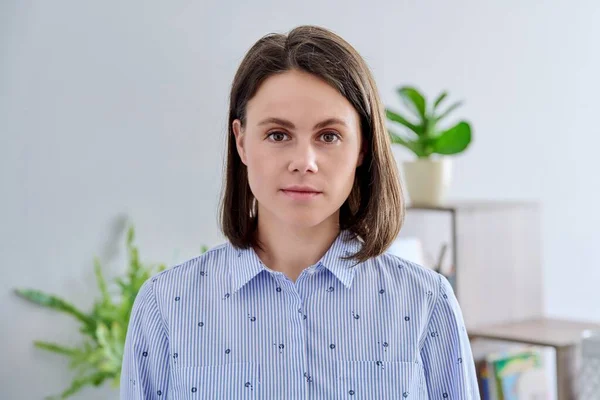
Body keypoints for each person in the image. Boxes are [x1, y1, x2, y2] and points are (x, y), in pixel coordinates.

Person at [120, 25, 480, 399]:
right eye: (278, 135)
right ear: (241, 141)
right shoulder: (164, 305)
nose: (303, 162)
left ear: (362, 148)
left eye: (329, 136)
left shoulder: (425, 302)